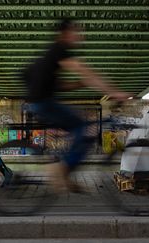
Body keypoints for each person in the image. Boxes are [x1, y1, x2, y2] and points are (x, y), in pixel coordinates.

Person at [22, 19, 130, 192]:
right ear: (64, 33)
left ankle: (63, 169)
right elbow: (86, 72)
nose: (79, 35)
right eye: (76, 31)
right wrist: (115, 92)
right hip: (43, 103)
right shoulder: (59, 50)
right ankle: (62, 171)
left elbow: (60, 86)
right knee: (81, 126)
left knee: (79, 128)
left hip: (39, 102)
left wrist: (79, 84)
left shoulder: (52, 54)